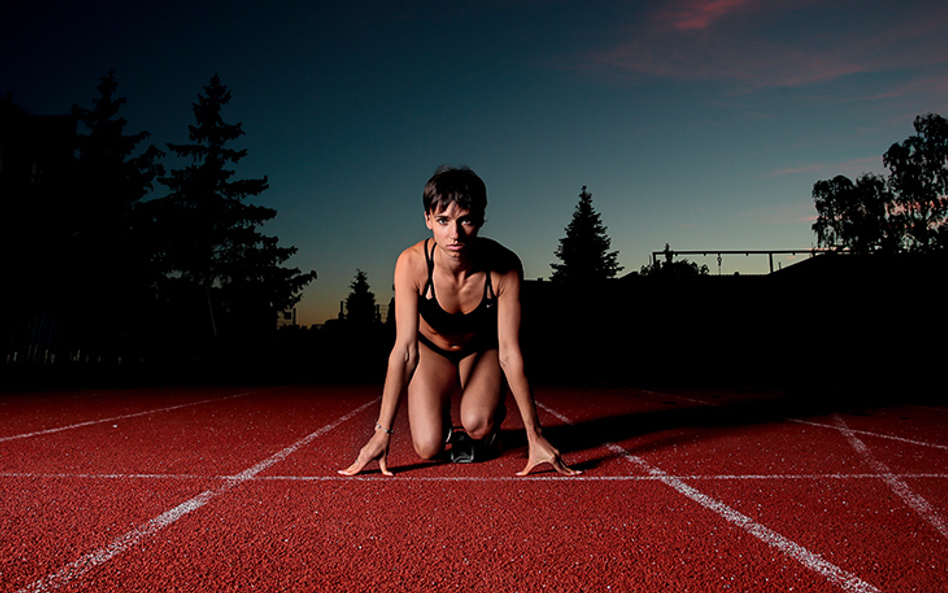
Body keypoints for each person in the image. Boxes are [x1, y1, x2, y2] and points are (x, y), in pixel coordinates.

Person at [339, 166, 579, 477]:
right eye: (443, 221)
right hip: (431, 352)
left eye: (465, 220)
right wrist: (381, 433)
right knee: (427, 447)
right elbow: (405, 351)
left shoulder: (504, 267)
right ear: (428, 220)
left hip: (480, 351)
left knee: (477, 423)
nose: (455, 234)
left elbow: (510, 353)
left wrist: (535, 436)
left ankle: (489, 423)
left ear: (479, 219)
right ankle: (439, 416)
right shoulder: (411, 264)